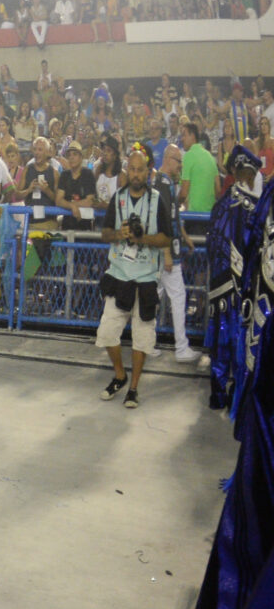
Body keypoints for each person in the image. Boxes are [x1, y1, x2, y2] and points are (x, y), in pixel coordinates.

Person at [96, 146, 176, 410]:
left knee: (142, 336)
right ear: (127, 170)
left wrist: (142, 239)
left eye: (141, 169)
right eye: (132, 168)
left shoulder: (157, 200)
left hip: (145, 279)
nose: (136, 174)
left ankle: (133, 388)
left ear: (148, 172)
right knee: (107, 332)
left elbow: (167, 237)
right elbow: (105, 233)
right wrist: (120, 234)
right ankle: (120, 375)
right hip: (119, 274)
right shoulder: (117, 198)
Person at [155, 145, 197, 364]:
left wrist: (184, 235)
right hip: (166, 252)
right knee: (177, 297)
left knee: (155, 297)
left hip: (167, 250)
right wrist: (167, 253)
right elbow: (159, 219)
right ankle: (181, 347)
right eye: (178, 161)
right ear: (169, 159)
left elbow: (171, 217)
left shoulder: (166, 183)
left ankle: (147, 343)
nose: (181, 165)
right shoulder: (162, 184)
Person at [180, 121, 220, 214]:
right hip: (210, 216)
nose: (182, 139)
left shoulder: (188, 156)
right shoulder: (210, 157)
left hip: (194, 216)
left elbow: (184, 193)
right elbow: (218, 190)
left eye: (184, 135)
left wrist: (175, 203)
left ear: (192, 136)